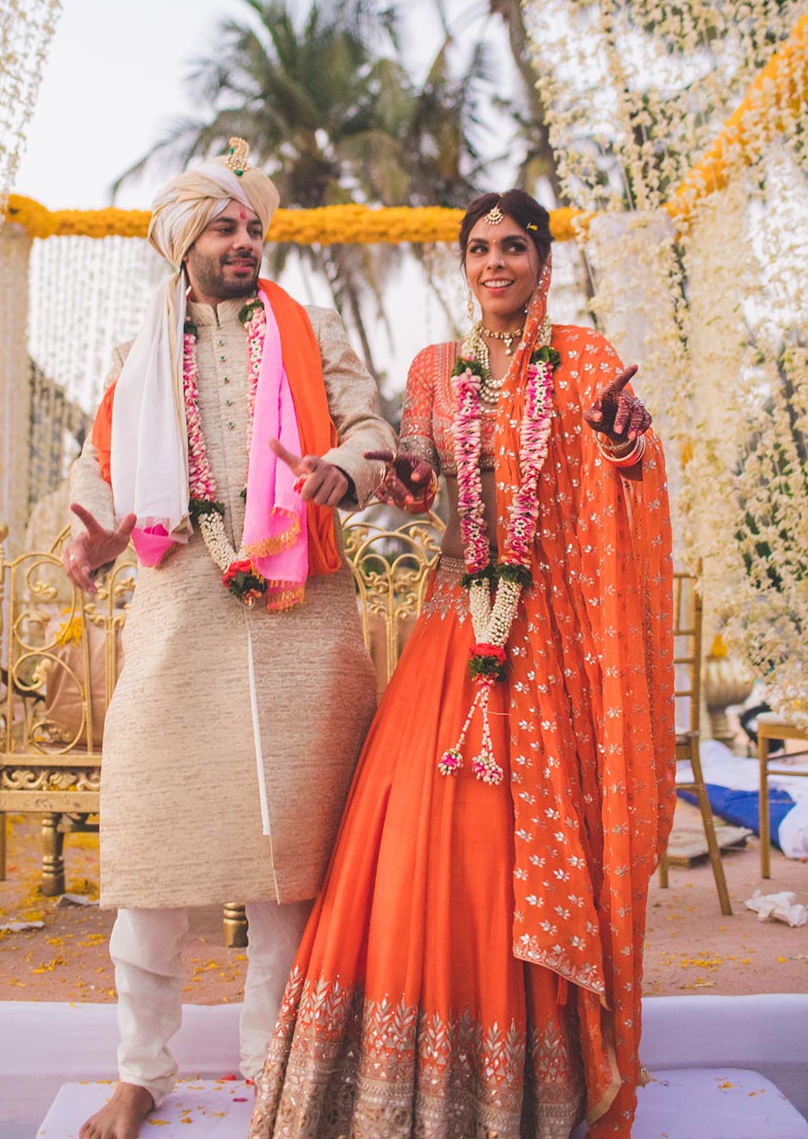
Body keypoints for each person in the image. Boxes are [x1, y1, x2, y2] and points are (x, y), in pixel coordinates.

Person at [249, 189, 675, 1139]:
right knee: (416, 831)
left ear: (542, 261)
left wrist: (623, 439)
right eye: (479, 248)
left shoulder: (585, 360)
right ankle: (401, 1080)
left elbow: (628, 459)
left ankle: (532, 1083)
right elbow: (416, 474)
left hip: (550, 630)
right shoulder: (435, 368)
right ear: (463, 263)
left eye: (513, 246)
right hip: (455, 624)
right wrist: (400, 479)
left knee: (528, 839)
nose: (495, 263)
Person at [62, 138, 404, 1139]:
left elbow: (370, 426)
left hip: (303, 611)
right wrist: (95, 536)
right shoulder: (142, 350)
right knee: (151, 844)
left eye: (252, 226)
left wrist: (344, 467)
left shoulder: (312, 326)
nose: (244, 240)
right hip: (179, 602)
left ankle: (274, 1065)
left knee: (287, 858)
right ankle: (140, 1073)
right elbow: (99, 465)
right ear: (184, 242)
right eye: (224, 227)